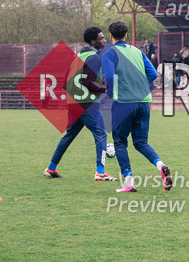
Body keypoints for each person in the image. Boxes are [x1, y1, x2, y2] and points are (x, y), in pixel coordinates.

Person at [101, 21, 172, 193]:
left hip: (124, 103)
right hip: (143, 102)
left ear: (111, 36)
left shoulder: (109, 53)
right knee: (141, 142)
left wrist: (111, 93)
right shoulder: (137, 52)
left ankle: (129, 182)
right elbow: (153, 74)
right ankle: (160, 165)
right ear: (126, 35)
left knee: (120, 142)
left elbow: (109, 77)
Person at [43, 27, 118, 182]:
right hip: (87, 103)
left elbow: (65, 79)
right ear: (93, 41)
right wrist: (104, 87)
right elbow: (88, 82)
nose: (104, 40)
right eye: (101, 38)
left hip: (73, 102)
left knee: (69, 135)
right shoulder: (94, 58)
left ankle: (51, 168)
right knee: (101, 134)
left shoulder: (78, 56)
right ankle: (100, 172)